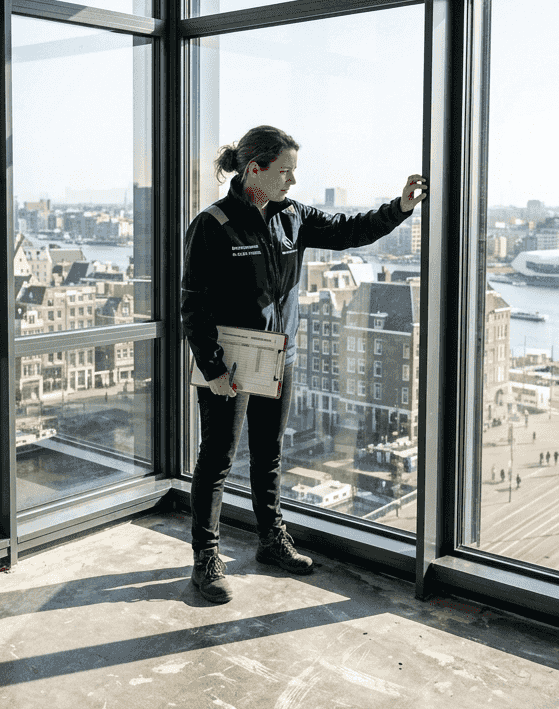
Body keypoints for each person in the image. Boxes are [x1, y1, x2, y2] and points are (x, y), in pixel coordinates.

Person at [182, 125, 427, 604]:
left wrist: (399, 209)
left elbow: (348, 230)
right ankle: (205, 559)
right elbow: (193, 304)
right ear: (256, 169)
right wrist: (211, 367)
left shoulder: (293, 216)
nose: (293, 181)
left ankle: (271, 541)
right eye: (286, 171)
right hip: (228, 362)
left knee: (269, 455)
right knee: (217, 460)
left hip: (280, 356)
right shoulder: (212, 224)